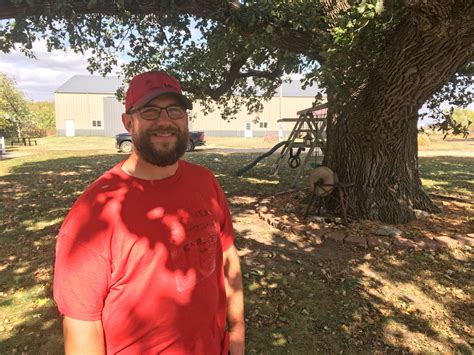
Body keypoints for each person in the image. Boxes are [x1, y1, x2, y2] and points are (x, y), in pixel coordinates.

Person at [53, 71, 245, 354]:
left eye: (175, 110)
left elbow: (227, 255)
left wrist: (237, 337)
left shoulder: (205, 183)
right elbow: (83, 325)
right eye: (151, 111)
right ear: (128, 122)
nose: (165, 121)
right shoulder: (92, 215)